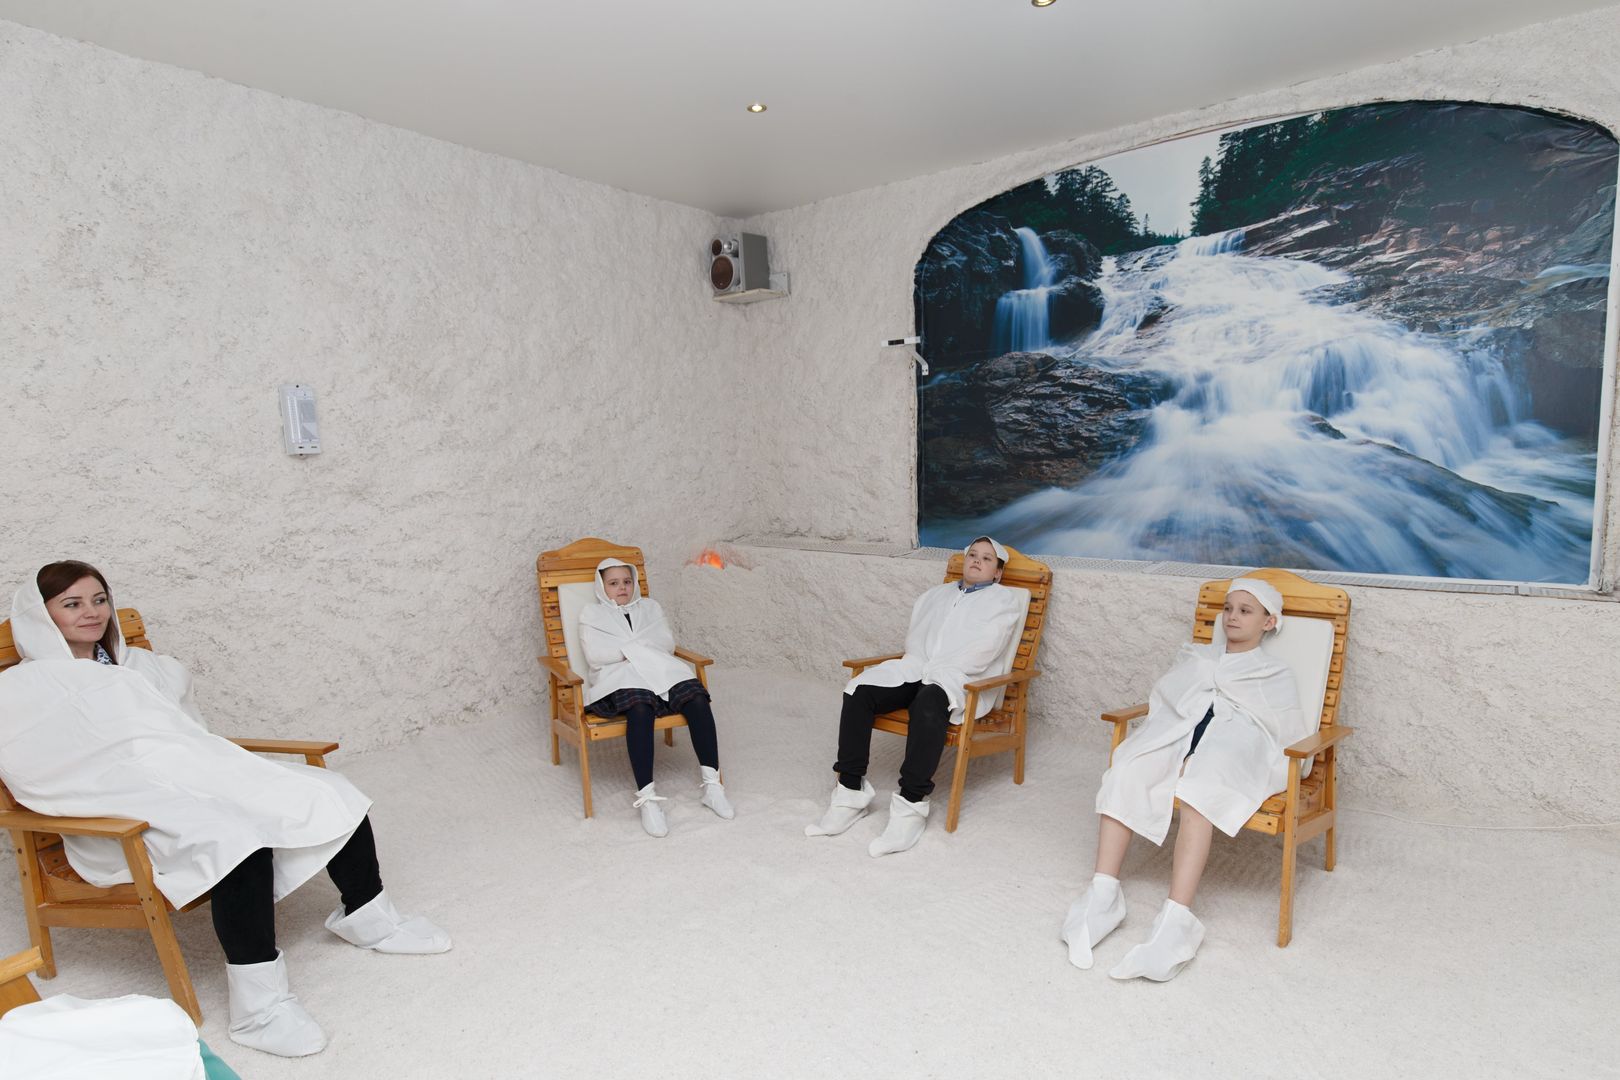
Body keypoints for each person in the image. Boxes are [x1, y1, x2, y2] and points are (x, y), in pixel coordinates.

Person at [0, 561, 451, 1058]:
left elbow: (186, 735)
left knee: (324, 791)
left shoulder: (139, 666)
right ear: (40, 616)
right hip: (118, 813)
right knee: (232, 839)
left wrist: (201, 771)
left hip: (191, 776)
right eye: (72, 604)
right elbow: (41, 769)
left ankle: (368, 916)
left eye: (99, 600)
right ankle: (259, 1009)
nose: (91, 612)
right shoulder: (22, 690)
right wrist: (128, 785)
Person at [1062, 577, 1306, 981]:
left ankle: (1176, 919)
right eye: (1228, 608)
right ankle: (1103, 894)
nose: (1233, 617)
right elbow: (1168, 702)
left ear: (1268, 622)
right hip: (1180, 733)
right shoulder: (1198, 657)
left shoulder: (1272, 672)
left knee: (1200, 790)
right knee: (1128, 768)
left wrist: (1203, 752)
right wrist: (1186, 741)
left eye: (1245, 611)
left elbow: (1278, 729)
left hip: (1234, 745)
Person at [806, 536, 1024, 857]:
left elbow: (984, 651)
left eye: (987, 558)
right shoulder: (935, 595)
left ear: (998, 573)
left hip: (959, 677)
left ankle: (911, 805)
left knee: (928, 703)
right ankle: (850, 791)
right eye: (973, 555)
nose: (977, 560)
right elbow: (916, 639)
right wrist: (920, 667)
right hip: (916, 667)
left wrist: (938, 670)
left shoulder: (1002, 601)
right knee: (859, 691)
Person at [579, 558, 733, 837]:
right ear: (602, 587)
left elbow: (666, 643)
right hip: (621, 676)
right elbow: (597, 654)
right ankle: (648, 799)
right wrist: (640, 648)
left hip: (661, 669)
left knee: (697, 700)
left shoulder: (650, 607)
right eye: (613, 583)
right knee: (640, 708)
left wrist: (628, 649)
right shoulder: (593, 614)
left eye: (627, 581)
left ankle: (712, 786)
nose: (622, 588)